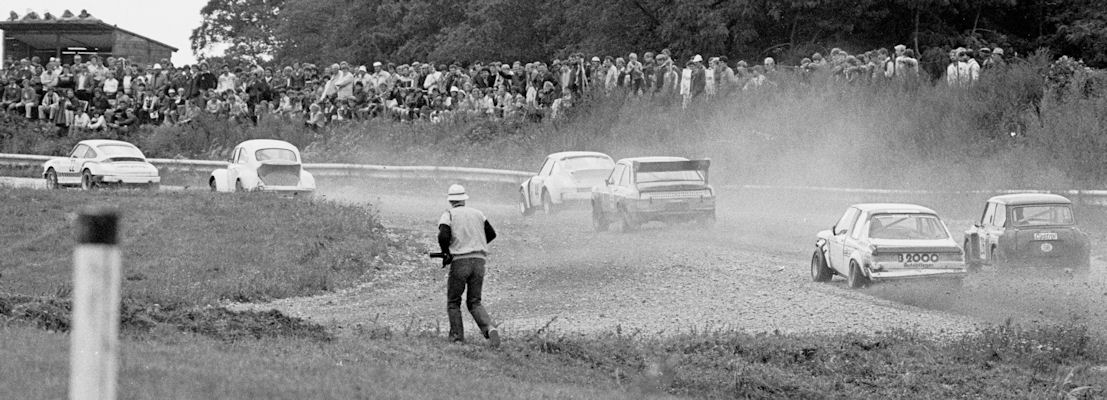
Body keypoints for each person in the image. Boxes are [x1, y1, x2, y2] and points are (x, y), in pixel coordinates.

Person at [436, 184, 500, 347]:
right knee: (474, 301)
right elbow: (491, 234)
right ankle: (489, 328)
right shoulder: (478, 214)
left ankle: (457, 337)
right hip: (479, 261)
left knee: (454, 301)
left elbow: (443, 235)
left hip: (460, 262)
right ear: (464, 199)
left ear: (450, 200)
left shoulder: (449, 214)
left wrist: (446, 252)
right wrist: (476, 243)